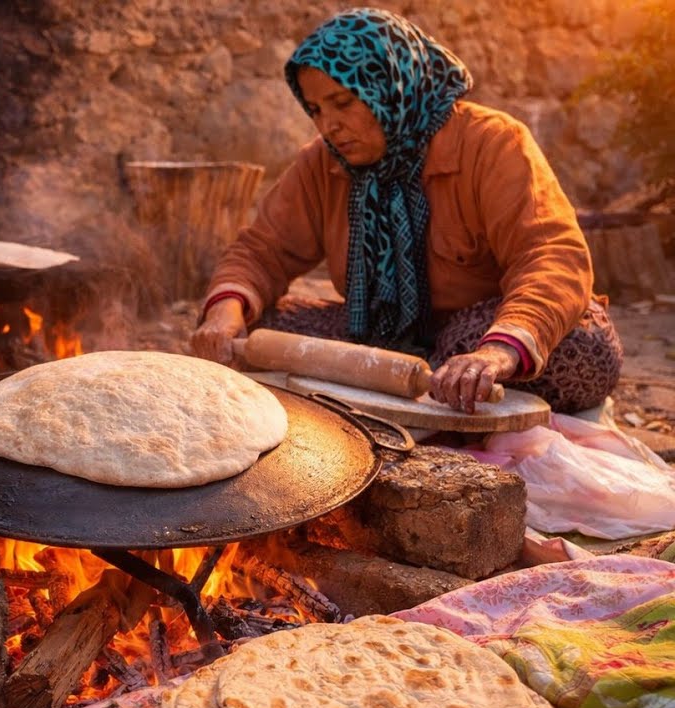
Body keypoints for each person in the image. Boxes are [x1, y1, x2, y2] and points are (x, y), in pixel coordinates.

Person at [191, 8, 621, 415]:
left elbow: (550, 255)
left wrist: (498, 351)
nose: (328, 126)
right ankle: (410, 381)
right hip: (388, 337)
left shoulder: (493, 143)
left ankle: (443, 377)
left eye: (343, 103)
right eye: (316, 109)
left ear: (392, 85)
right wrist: (223, 317)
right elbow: (262, 250)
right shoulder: (323, 163)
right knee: (258, 331)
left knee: (575, 348)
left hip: (484, 334)